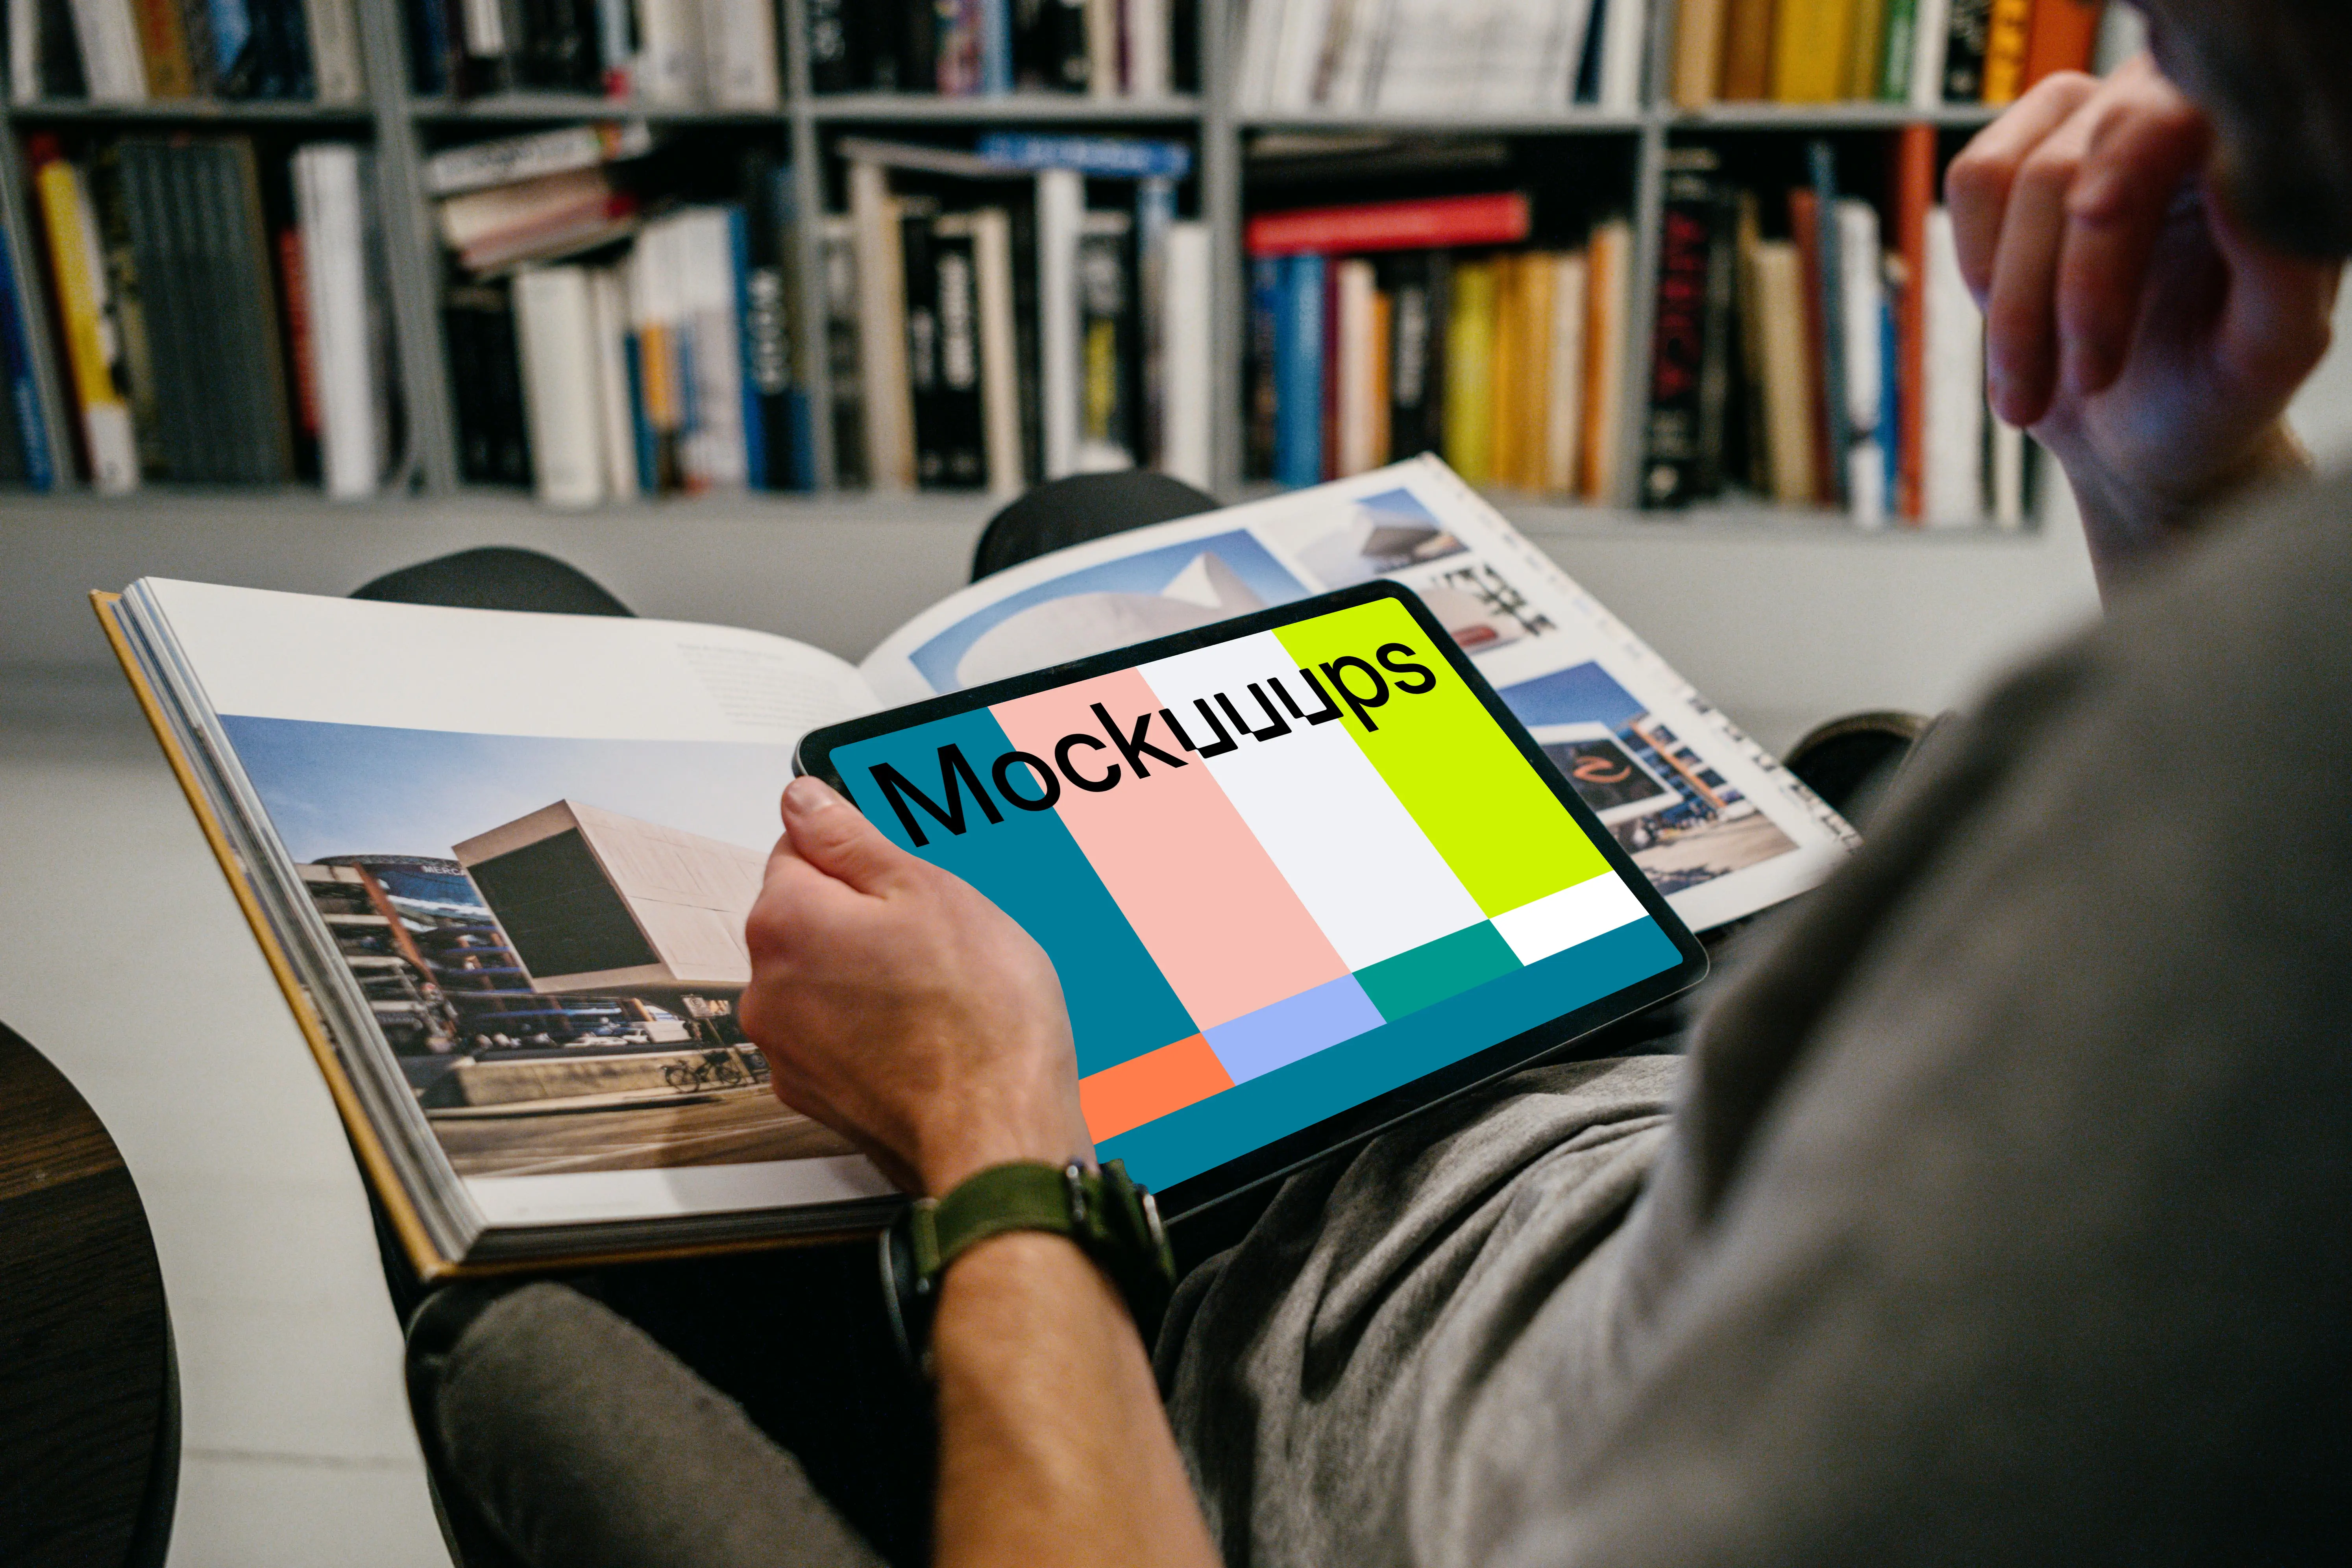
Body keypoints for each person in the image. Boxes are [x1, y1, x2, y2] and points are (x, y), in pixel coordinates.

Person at [427, 3, 2352, 1562]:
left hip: (1212, 1282)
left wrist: (993, 1136)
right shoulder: (2271, 687)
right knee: (1098, 536)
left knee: (485, 611)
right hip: (1608, 1076)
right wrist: (2173, 480)